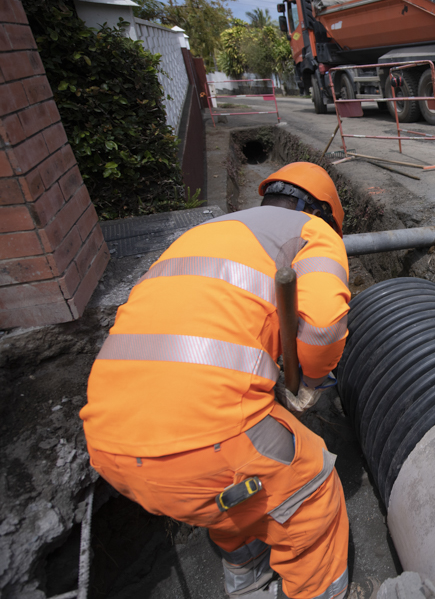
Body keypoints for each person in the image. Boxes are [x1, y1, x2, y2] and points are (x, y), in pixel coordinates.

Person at [80, 162, 352, 599]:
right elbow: (322, 327)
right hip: (204, 441)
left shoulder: (209, 233)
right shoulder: (312, 232)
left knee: (229, 494)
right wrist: (313, 380)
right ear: (323, 214)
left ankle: (245, 574)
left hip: (109, 444)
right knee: (310, 487)